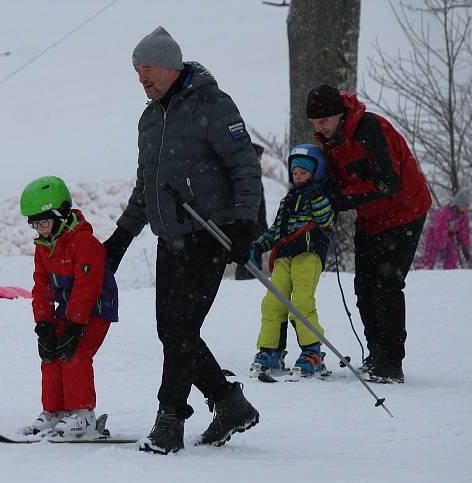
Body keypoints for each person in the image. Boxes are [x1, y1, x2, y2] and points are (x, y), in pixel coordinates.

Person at [102, 26, 261, 454]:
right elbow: (146, 186)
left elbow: (244, 165)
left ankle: (169, 419)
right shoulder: (150, 118)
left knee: (180, 330)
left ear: (170, 66)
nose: (142, 79)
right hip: (169, 237)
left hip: (209, 234)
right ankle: (229, 403)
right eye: (137, 71)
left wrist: (245, 223)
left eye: (147, 69)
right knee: (172, 331)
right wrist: (120, 237)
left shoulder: (213, 104)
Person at [306, 84, 432, 383]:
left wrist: (338, 199)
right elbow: (338, 180)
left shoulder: (371, 128)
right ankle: (376, 353)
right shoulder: (330, 139)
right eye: (314, 123)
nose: (319, 128)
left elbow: (387, 181)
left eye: (323, 120)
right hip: (370, 217)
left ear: (339, 114)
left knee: (387, 285)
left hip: (404, 211)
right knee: (364, 286)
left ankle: (391, 363)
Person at [19, 176, 118, 437]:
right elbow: (41, 287)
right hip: (69, 309)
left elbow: (87, 289)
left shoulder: (85, 244)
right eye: (34, 224)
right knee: (51, 353)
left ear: (61, 214)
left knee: (75, 354)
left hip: (96, 309)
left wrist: (74, 327)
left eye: (43, 221)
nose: (39, 229)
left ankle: (83, 415)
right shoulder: (43, 247)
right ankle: (56, 412)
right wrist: (44, 324)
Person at [248, 144, 336, 379]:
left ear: (316, 173)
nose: (298, 176)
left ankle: (312, 352)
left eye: (304, 172)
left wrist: (316, 194)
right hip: (285, 256)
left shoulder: (321, 196)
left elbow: (326, 219)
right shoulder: (288, 201)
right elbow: (277, 229)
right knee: (272, 303)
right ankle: (271, 351)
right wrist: (259, 245)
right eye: (295, 172)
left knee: (301, 301)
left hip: (308, 254)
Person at [235, 142, 269, 280]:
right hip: (250, 227)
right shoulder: (249, 177)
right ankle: (246, 282)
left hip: (254, 227)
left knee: (251, 258)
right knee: (248, 260)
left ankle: (249, 280)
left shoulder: (253, 176)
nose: (260, 160)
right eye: (259, 157)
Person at [416, 189, 471, 270]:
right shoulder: (445, 212)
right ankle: (421, 272)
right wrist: (441, 244)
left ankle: (449, 273)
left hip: (449, 238)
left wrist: (465, 247)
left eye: (467, 205)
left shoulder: (463, 217)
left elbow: (464, 232)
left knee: (452, 257)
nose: (466, 208)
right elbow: (439, 229)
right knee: (430, 258)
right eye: (464, 205)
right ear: (458, 203)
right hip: (434, 237)